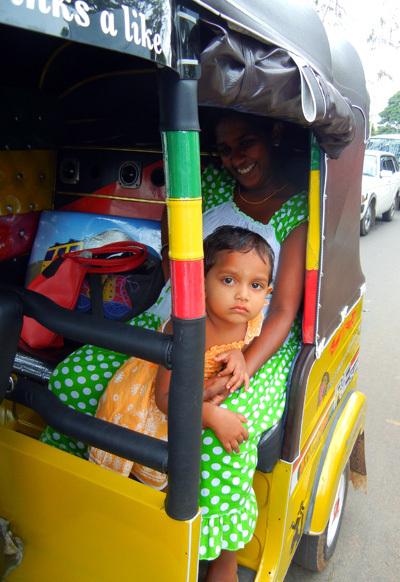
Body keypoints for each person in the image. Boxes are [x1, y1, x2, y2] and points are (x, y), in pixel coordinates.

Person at [40, 110, 307, 581]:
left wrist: (246, 356)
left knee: (222, 439)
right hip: (180, 315)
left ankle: (212, 549)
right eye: (225, 150)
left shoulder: (297, 211)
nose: (234, 159)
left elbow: (284, 309)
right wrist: (184, 305)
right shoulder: (208, 181)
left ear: (276, 132)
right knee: (72, 381)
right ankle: (89, 501)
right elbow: (171, 249)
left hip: (256, 340)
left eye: (246, 143)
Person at [89, 226, 274, 491]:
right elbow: (163, 399)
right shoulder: (185, 330)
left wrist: (240, 357)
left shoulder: (252, 318)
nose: (243, 295)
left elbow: (251, 341)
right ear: (202, 282)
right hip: (154, 402)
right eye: (229, 280)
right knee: (153, 467)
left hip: (193, 394)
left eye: (255, 285)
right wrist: (211, 416)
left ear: (267, 292)